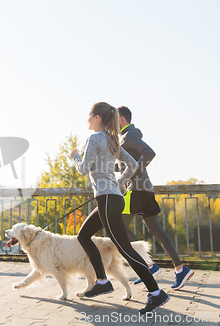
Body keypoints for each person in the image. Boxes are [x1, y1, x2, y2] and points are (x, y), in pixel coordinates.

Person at [70, 102, 169, 314]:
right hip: (111, 197)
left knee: (124, 248)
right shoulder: (112, 139)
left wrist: (75, 156)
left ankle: (156, 293)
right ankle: (102, 281)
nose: (87, 119)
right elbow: (133, 164)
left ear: (97, 118)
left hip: (107, 199)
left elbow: (83, 169)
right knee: (84, 235)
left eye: (89, 115)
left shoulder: (95, 138)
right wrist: (120, 182)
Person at [116, 106, 194, 290]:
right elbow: (126, 165)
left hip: (136, 190)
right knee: (156, 230)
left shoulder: (128, 136)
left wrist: (135, 170)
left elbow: (149, 153)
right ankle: (180, 269)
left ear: (121, 120)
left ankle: (149, 266)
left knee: (119, 227)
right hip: (143, 189)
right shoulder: (125, 137)